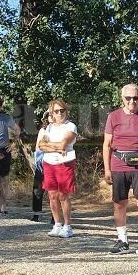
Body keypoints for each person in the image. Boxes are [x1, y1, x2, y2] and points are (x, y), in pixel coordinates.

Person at [102, 83, 138, 258]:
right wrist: (107, 169)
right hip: (119, 165)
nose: (132, 101)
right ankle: (122, 241)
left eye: (135, 98)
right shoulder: (113, 117)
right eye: (128, 98)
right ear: (122, 98)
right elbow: (106, 145)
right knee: (120, 204)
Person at [38, 99, 77, 238]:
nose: (59, 113)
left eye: (62, 110)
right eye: (56, 111)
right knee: (52, 195)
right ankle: (57, 224)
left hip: (64, 163)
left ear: (66, 111)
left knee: (63, 195)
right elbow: (40, 146)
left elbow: (63, 145)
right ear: (51, 113)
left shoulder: (71, 126)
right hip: (49, 163)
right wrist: (54, 147)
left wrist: (51, 146)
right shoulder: (49, 128)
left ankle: (67, 226)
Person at [30, 113, 51, 223]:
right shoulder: (43, 130)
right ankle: (36, 213)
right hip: (42, 162)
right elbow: (39, 146)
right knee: (37, 189)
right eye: (49, 115)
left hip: (54, 162)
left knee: (53, 190)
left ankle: (54, 216)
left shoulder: (61, 129)